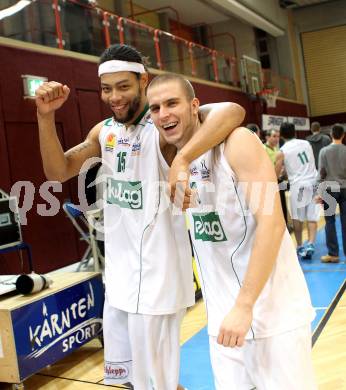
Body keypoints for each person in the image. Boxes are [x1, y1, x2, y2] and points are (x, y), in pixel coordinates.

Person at [35, 44, 245, 390]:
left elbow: (232, 111)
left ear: (143, 81)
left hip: (157, 285)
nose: (113, 97)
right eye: (106, 88)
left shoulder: (165, 126)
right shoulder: (104, 132)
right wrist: (45, 117)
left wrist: (182, 158)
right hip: (119, 281)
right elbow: (57, 171)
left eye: (123, 86)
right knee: (133, 381)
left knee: (155, 385)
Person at [147, 73, 316, 390]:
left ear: (195, 105)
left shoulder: (237, 143)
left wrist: (245, 305)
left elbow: (273, 222)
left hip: (272, 317)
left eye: (172, 103)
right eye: (155, 108)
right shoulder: (168, 158)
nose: (163, 113)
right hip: (223, 326)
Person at [275, 122, 320, 260]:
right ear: (295, 132)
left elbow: (276, 174)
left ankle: (300, 245)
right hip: (313, 181)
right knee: (312, 215)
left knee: (298, 218)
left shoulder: (282, 151)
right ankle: (311, 243)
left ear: (281, 135)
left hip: (298, 185)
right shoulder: (306, 144)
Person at [317, 124, 346, 263]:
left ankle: (333, 254)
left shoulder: (324, 151)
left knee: (329, 221)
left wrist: (318, 192)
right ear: (343, 135)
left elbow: (321, 173)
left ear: (331, 135)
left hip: (329, 189)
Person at [264, 129, 289, 225]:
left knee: (283, 205)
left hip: (280, 180)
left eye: (278, 136)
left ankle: (285, 226)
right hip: (270, 182)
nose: (277, 139)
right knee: (273, 208)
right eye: (274, 136)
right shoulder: (263, 149)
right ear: (267, 137)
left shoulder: (277, 150)